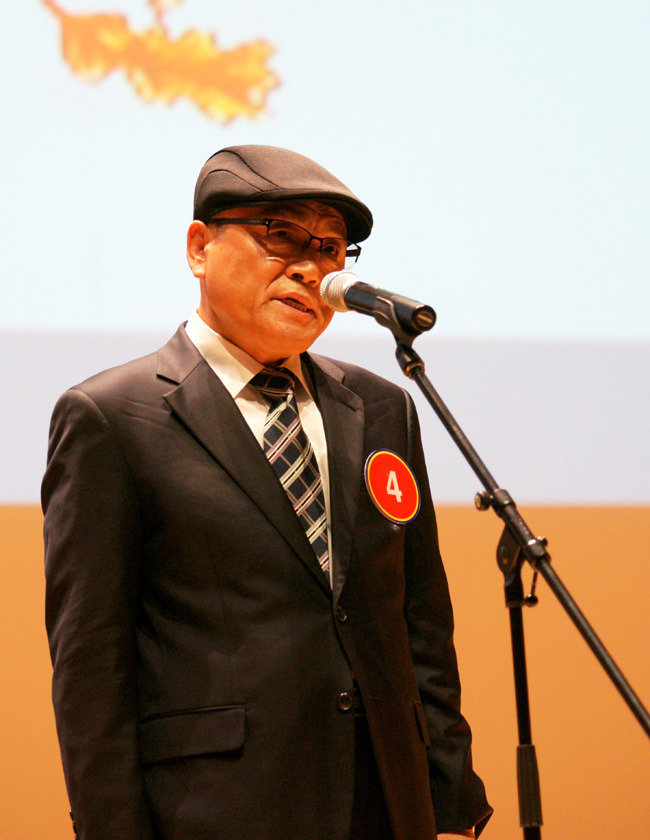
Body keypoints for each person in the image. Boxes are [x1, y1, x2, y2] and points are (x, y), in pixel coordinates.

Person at [43, 145, 492, 840]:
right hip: (216, 810)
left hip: (384, 803)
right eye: (281, 236)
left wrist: (450, 802)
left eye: (331, 248)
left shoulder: (381, 407)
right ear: (199, 248)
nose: (311, 268)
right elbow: (91, 668)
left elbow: (421, 625)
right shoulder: (111, 417)